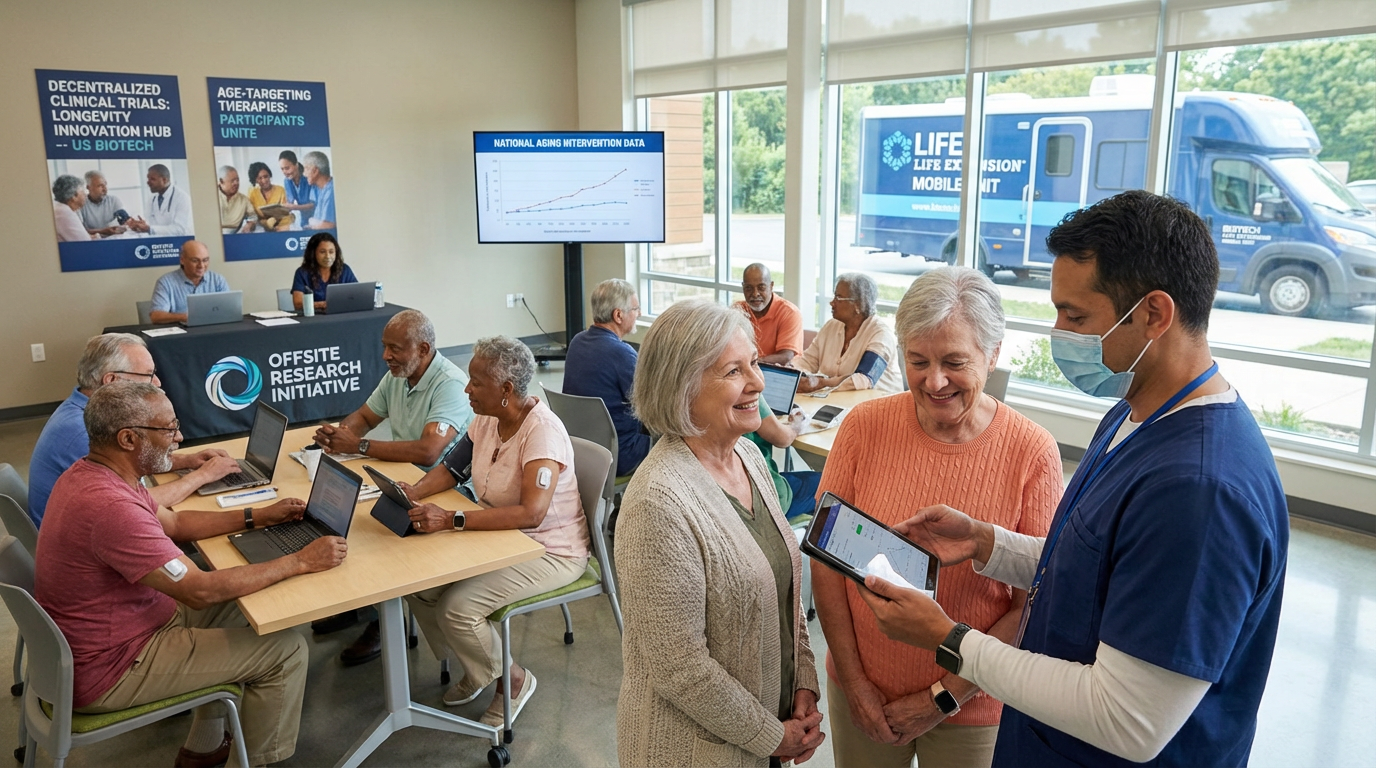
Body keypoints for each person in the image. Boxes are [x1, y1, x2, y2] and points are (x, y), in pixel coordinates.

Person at [854, 191, 1289, 767]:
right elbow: (1100, 570)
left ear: (1154, 315)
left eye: (1076, 316)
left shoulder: (1198, 491)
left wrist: (950, 640)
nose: (1059, 332)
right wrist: (989, 543)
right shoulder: (1133, 415)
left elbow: (1129, 720)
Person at [813, 267, 1061, 768]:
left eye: (954, 362)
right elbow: (824, 561)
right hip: (863, 694)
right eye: (917, 360)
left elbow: (1032, 604)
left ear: (993, 355)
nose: (934, 380)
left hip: (974, 709)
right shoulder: (864, 427)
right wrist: (855, 682)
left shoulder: (1031, 452)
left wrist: (942, 698)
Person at [34, 381, 347, 768]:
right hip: (114, 666)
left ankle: (201, 748)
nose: (178, 438)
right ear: (128, 438)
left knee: (257, 607)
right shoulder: (111, 507)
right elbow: (198, 591)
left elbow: (176, 523)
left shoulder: (96, 474)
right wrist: (300, 560)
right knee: (286, 652)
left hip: (123, 628)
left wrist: (258, 516)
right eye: (168, 429)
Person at [616, 299, 825, 767]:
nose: (757, 382)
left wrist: (804, 683)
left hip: (768, 732)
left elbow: (782, 590)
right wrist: (773, 736)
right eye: (734, 371)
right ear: (682, 387)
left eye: (754, 362)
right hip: (693, 752)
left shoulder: (749, 458)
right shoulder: (658, 502)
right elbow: (680, 668)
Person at [397, 336, 590, 726]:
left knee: (458, 608)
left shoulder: (542, 433)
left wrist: (450, 520)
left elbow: (532, 514)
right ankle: (479, 665)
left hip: (549, 550)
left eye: (476, 382)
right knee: (419, 585)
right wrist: (414, 492)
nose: (467, 389)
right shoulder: (487, 417)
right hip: (498, 539)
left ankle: (512, 680)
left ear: (506, 389)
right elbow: (453, 468)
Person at [318, 309, 472, 660]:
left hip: (447, 489)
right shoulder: (398, 376)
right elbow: (365, 417)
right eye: (385, 347)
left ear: (423, 348)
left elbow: (430, 451)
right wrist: (342, 434)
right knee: (341, 511)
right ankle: (363, 607)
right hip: (407, 481)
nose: (386, 356)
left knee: (369, 535)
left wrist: (357, 446)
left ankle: (385, 622)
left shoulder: (449, 383)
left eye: (395, 348)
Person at [28, 333, 240, 527]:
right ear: (111, 381)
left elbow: (127, 463)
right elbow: (132, 503)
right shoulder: (84, 431)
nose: (156, 383)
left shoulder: (84, 410)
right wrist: (201, 477)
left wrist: (188, 461)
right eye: (148, 375)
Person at [563, 278, 650, 475]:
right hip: (620, 454)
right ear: (618, 315)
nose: (639, 314)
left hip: (581, 449)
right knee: (676, 439)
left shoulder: (577, 341)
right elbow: (650, 405)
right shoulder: (621, 353)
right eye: (635, 309)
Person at [794, 273, 902, 394]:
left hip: (879, 404)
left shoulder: (881, 334)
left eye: (838, 298)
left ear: (858, 304)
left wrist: (821, 382)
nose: (832, 303)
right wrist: (792, 371)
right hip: (836, 402)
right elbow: (807, 362)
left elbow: (864, 379)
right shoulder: (831, 326)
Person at [743, 398, 818, 523]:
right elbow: (782, 438)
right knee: (834, 484)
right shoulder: (745, 392)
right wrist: (796, 427)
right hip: (767, 502)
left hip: (735, 500)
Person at [737, 263, 804, 365]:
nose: (755, 294)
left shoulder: (789, 312)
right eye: (749, 288)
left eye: (761, 287)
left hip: (777, 374)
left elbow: (786, 357)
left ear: (771, 286)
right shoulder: (738, 310)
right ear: (743, 287)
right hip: (745, 372)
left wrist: (753, 363)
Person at [149, 240, 230, 324]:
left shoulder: (218, 280)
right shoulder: (166, 282)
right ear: (182, 260)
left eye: (205, 260)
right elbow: (156, 316)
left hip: (214, 330)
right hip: (182, 334)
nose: (201, 266)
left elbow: (229, 310)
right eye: (195, 260)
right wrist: (185, 317)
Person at [291, 232, 357, 313]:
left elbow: (357, 297)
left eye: (331, 252)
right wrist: (322, 305)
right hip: (313, 319)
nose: (328, 256)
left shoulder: (344, 269)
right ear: (313, 253)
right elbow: (298, 304)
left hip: (341, 316)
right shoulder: (302, 272)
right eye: (322, 252)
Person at [126, 164, 193, 237]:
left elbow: (180, 229)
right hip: (158, 243)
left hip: (179, 243)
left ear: (164, 180)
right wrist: (139, 226)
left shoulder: (182, 198)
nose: (148, 182)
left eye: (152, 179)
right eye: (148, 179)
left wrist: (149, 229)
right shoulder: (152, 199)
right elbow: (150, 224)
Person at [79, 170, 127, 237]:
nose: (105, 189)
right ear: (88, 187)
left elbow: (124, 219)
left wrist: (129, 223)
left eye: (105, 185)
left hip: (111, 241)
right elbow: (79, 232)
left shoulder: (113, 200)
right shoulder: (80, 204)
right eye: (100, 186)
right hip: (90, 242)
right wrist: (103, 231)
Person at [246, 161, 291, 231]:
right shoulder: (252, 193)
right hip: (261, 226)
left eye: (266, 176)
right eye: (260, 178)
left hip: (280, 224)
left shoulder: (280, 190)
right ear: (255, 180)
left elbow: (285, 212)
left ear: (270, 175)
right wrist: (266, 223)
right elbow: (252, 215)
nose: (264, 180)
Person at [51, 174, 94, 242]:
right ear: (74, 196)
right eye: (83, 191)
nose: (86, 194)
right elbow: (84, 242)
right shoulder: (64, 212)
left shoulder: (61, 208)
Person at [216, 165, 257, 234]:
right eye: (232, 181)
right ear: (221, 181)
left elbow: (253, 216)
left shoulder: (244, 200)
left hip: (235, 236)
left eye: (237, 180)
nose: (236, 183)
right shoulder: (210, 198)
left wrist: (250, 224)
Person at [278, 150, 315, 225]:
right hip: (304, 218)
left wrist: (295, 207)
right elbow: (290, 202)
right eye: (282, 169)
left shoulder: (309, 176)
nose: (284, 172)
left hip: (317, 217)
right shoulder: (287, 181)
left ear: (296, 164)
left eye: (287, 168)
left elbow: (314, 205)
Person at [302, 151, 335, 230]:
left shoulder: (331, 191)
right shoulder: (318, 188)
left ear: (315, 171)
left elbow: (329, 225)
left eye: (306, 169)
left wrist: (311, 227)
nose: (304, 174)